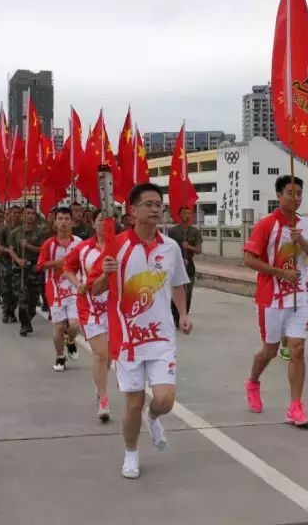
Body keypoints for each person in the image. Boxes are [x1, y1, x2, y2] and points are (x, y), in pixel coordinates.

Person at [90, 182, 192, 479]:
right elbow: (94, 289)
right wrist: (105, 275)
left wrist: (183, 314)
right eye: (148, 204)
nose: (155, 209)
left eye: (158, 204)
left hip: (161, 336)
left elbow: (177, 283)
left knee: (164, 400)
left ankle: (154, 417)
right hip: (127, 338)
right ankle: (131, 453)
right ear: (132, 211)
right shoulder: (116, 246)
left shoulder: (170, 247)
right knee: (133, 403)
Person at [243, 175, 308, 428]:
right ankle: (253, 382)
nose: (295, 198)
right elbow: (249, 259)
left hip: (300, 296)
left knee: (297, 349)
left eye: (299, 193)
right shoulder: (266, 225)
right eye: (290, 193)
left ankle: (295, 407)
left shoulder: (304, 225)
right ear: (278, 195)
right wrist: (281, 273)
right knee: (270, 351)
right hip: (272, 298)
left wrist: (303, 241)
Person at [64, 209, 112, 422]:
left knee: (109, 356)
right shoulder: (83, 249)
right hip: (90, 306)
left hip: (113, 306)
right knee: (100, 354)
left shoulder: (120, 247)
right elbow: (67, 268)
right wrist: (78, 285)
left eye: (109, 220)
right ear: (94, 223)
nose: (105, 224)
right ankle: (103, 398)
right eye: (101, 220)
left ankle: (99, 383)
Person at [37, 207, 84, 371]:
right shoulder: (49, 245)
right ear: (55, 222)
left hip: (74, 287)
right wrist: (60, 263)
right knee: (58, 328)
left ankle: (70, 341)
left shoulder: (79, 243)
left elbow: (84, 263)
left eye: (66, 219)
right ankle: (60, 356)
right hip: (55, 289)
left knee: (75, 325)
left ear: (72, 221)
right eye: (60, 219)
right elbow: (41, 266)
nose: (63, 222)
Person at [9, 205, 48, 336]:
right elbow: (11, 249)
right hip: (20, 269)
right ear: (23, 216)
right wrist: (18, 260)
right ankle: (24, 325)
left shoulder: (40, 232)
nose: (30, 216)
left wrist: (28, 246)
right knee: (22, 298)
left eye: (32, 213)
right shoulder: (15, 233)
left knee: (32, 301)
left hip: (35, 269)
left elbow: (43, 250)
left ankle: (28, 319)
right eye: (27, 213)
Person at [167, 206, 202, 327]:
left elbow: (198, 250)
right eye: (184, 213)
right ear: (179, 215)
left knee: (188, 293)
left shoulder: (195, 232)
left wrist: (189, 247)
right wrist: (179, 259)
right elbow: (168, 249)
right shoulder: (173, 231)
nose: (187, 216)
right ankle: (174, 317)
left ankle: (183, 317)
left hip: (189, 266)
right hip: (176, 266)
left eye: (189, 213)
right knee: (177, 292)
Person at [0, 205, 22, 323]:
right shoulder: (2, 230)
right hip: (5, 262)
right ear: (9, 214)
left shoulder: (22, 230)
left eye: (18, 213)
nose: (16, 215)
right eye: (13, 213)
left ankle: (12, 310)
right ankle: (6, 311)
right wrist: (7, 251)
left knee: (17, 290)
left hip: (17, 262)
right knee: (6, 290)